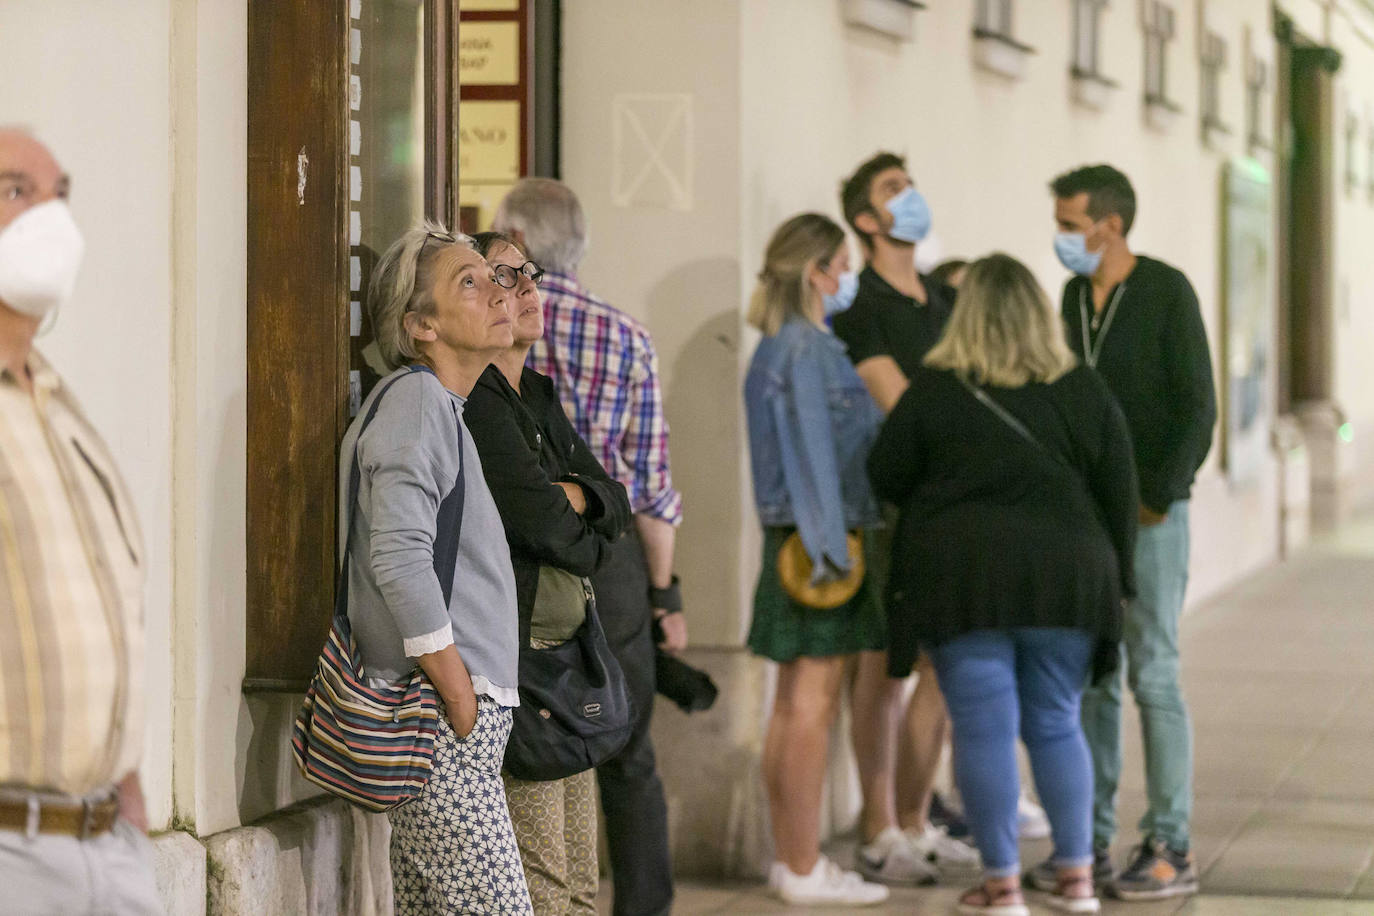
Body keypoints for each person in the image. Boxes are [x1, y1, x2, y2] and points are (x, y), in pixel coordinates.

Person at [869, 253, 1138, 916]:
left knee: (984, 728)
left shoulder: (936, 388)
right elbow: (1120, 493)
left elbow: (886, 474)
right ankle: (1076, 881)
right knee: (1055, 720)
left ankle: (1003, 886)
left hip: (965, 577)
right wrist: (1120, 583)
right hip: (1069, 577)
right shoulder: (1082, 388)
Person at [493, 178, 683, 916]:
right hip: (617, 552)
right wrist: (664, 595)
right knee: (626, 744)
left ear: (512, 235)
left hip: (529, 552)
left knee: (541, 732)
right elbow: (655, 485)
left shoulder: (497, 327)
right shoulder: (626, 335)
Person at [1030, 165, 1216, 901]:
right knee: (1093, 679)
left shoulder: (1167, 291)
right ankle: (1090, 839)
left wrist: (1159, 496)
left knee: (1156, 674)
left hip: (1151, 517)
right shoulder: (1073, 296)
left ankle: (1171, 839)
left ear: (1110, 225)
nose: (1063, 239)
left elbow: (1198, 404)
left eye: (1070, 225)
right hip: (1083, 517)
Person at [344, 223, 531, 915]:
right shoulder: (417, 403)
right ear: (420, 325)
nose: (497, 291)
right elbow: (398, 558)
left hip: (452, 719)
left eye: (496, 275)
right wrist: (458, 698)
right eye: (470, 282)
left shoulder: (441, 409)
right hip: (441, 719)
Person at [0, 128, 161, 915]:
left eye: (58, 195)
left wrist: (126, 789)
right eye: (14, 193)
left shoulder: (55, 402)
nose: (49, 221)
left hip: (105, 841)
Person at [463, 231, 633, 915]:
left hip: (562, 650)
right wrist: (575, 509)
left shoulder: (533, 393)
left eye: (529, 273)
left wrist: (577, 497)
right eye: (504, 275)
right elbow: (539, 522)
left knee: (582, 883)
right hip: (518, 657)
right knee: (544, 886)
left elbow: (612, 499)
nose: (527, 288)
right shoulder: (477, 404)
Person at [834, 151, 979, 883]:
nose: (911, 196)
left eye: (911, 183)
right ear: (866, 219)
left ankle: (918, 819)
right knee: (886, 667)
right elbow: (906, 404)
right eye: (894, 189)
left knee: (942, 665)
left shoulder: (943, 303)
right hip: (896, 503)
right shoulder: (861, 310)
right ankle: (876, 824)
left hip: (956, 499)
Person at [742, 214, 890, 907]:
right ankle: (802, 865)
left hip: (804, 538)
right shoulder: (804, 350)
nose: (847, 278)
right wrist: (833, 554)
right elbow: (813, 467)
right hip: (820, 543)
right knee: (810, 705)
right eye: (842, 265)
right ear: (816, 272)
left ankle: (792, 860)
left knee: (791, 706)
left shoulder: (785, 345)